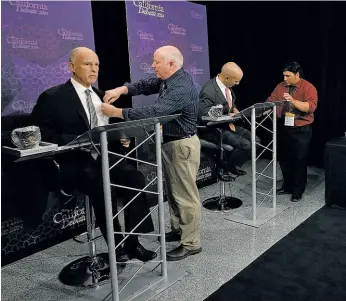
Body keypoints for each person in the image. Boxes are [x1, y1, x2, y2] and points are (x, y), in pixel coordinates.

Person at [31, 47, 157, 262]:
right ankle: (116, 247)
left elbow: (109, 127)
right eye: (88, 64)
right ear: (72, 67)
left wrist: (122, 135)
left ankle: (133, 243)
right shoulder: (53, 97)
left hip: (104, 158)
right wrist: (76, 139)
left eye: (97, 64)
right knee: (101, 187)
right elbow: (39, 131)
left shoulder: (101, 96)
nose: (94, 69)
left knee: (135, 177)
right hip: (74, 162)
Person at [101, 45, 202, 261]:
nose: (152, 65)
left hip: (181, 146)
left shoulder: (181, 87)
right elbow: (146, 85)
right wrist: (121, 90)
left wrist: (118, 112)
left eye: (156, 62)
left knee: (185, 196)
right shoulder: (170, 78)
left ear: (171, 64)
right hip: (172, 144)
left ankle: (191, 243)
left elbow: (156, 112)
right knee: (175, 193)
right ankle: (179, 230)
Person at [267, 61, 318, 202]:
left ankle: (298, 189)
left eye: (288, 76)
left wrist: (293, 101)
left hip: (301, 128)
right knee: (284, 158)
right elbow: (271, 99)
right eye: (283, 75)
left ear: (297, 74)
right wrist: (264, 108)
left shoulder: (308, 87)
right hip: (284, 127)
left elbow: (310, 107)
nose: (284, 79)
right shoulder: (280, 86)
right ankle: (287, 186)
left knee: (299, 159)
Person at [198, 62, 260, 176]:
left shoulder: (226, 86)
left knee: (256, 141)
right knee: (246, 145)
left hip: (228, 125)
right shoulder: (208, 90)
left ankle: (231, 165)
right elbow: (203, 115)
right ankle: (223, 167)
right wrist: (224, 109)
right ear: (227, 78)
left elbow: (230, 105)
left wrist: (236, 112)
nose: (238, 84)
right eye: (236, 81)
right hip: (213, 129)